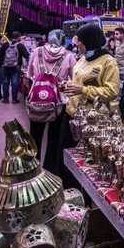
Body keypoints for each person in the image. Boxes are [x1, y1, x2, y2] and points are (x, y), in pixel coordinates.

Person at [62, 23, 120, 188]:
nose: (77, 44)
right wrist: (69, 86)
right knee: (69, 160)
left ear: (89, 41)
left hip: (92, 123)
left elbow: (112, 91)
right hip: (72, 115)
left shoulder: (108, 62)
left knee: (87, 166)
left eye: (79, 40)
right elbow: (77, 82)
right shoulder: (82, 58)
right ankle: (69, 192)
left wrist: (84, 90)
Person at [25, 29, 76, 173]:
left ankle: (32, 169)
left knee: (34, 135)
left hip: (36, 103)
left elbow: (29, 74)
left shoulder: (36, 52)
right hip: (58, 104)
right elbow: (73, 80)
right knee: (54, 139)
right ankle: (49, 172)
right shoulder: (69, 56)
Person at [0, 31, 30, 103]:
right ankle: (14, 99)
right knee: (15, 83)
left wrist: (0, 65)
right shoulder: (20, 45)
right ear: (18, 37)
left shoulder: (5, 44)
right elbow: (27, 55)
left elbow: (0, 55)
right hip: (16, 67)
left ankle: (6, 99)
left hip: (5, 67)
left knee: (5, 83)